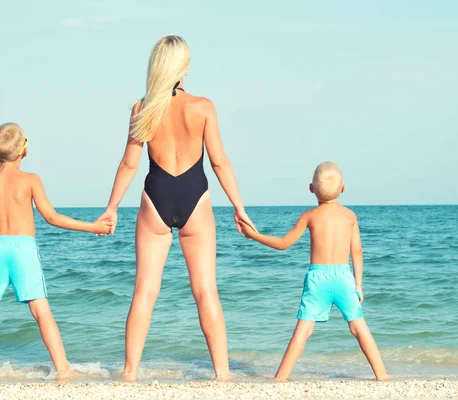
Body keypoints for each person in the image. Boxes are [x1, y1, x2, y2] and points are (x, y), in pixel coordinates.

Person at [95, 35, 256, 381]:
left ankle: (129, 373)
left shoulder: (143, 108)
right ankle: (223, 375)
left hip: (155, 195)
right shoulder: (203, 107)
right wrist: (239, 207)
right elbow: (220, 163)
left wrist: (111, 208)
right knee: (205, 291)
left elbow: (128, 164)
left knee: (144, 291)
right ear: (184, 67)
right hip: (195, 197)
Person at [0, 122, 112, 378]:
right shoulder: (31, 180)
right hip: (23, 249)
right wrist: (92, 227)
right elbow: (52, 217)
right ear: (25, 150)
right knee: (42, 313)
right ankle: (63, 369)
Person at [240, 161, 390, 381]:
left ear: (311, 189)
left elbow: (283, 243)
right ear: (343, 188)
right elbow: (356, 252)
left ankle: (280, 378)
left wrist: (254, 235)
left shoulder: (309, 216)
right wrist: (358, 284)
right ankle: (382, 375)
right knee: (359, 328)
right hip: (343, 277)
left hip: (318, 278)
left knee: (303, 330)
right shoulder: (350, 217)